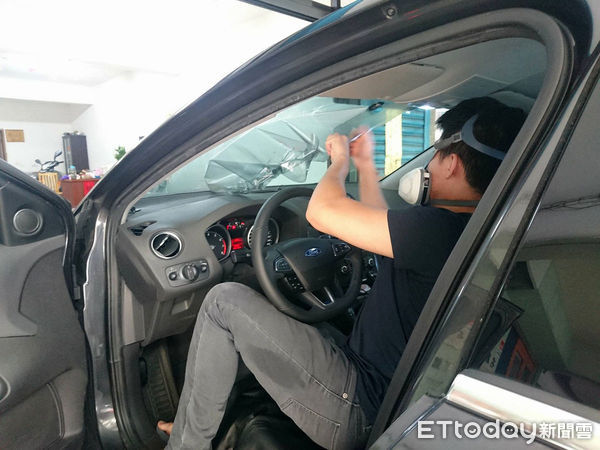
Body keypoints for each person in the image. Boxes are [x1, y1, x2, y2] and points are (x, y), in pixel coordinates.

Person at [157, 97, 526, 449]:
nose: (429, 165)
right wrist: (365, 167)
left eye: (437, 153)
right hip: (387, 397)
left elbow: (320, 213)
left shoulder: (438, 229)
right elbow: (380, 227)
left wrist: (339, 164)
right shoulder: (473, 233)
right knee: (295, 312)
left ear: (451, 164)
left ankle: (186, 443)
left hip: (356, 407)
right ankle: (197, 419)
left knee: (223, 302)